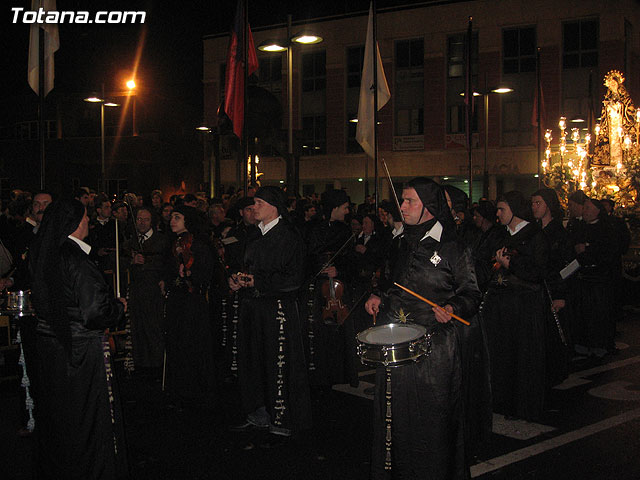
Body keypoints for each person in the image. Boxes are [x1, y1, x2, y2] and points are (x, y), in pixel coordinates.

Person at [365, 177, 481, 479]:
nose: (402, 206)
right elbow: (391, 283)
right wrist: (379, 295)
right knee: (396, 417)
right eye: (402, 200)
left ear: (429, 207)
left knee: (431, 419)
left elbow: (471, 293)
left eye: (409, 201)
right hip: (396, 343)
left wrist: (453, 308)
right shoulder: (400, 243)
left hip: (434, 348)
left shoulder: (453, 246)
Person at [30, 199, 128, 479]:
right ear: (74, 223)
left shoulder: (44, 253)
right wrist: (119, 307)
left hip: (52, 346)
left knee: (61, 419)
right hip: (79, 351)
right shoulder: (75, 259)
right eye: (85, 218)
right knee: (86, 420)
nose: (88, 223)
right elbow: (95, 312)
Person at [230, 186, 311, 440]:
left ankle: (282, 415)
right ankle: (258, 411)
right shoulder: (254, 235)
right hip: (252, 308)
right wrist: (236, 280)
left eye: (258, 203)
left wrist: (259, 283)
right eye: (253, 203)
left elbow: (294, 279)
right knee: (252, 359)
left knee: (277, 362)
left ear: (273, 207)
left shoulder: (289, 236)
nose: (254, 208)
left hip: (277, 309)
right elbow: (246, 267)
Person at [483, 191, 550, 421]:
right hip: (500, 306)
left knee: (523, 358)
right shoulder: (499, 234)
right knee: (502, 356)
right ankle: (501, 401)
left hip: (523, 307)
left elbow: (537, 271)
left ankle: (522, 405)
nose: (498, 214)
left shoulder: (534, 236)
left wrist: (510, 263)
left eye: (502, 209)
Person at [161, 205, 215, 407]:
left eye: (177, 217)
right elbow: (166, 268)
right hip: (177, 301)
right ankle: (180, 389)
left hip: (192, 303)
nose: (172, 221)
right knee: (176, 342)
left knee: (192, 342)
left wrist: (190, 274)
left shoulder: (199, 243)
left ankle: (195, 390)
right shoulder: (173, 242)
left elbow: (206, 273)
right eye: (172, 217)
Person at [531, 188, 573, 387]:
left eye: (538, 203)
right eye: (532, 203)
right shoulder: (535, 230)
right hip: (540, 290)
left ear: (548, 204)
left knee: (556, 334)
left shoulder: (558, 232)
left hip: (554, 290)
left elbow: (564, 265)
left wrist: (560, 294)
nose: (534, 207)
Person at [123, 207, 170, 376]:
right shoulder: (130, 242)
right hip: (137, 290)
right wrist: (131, 261)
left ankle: (156, 364)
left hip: (153, 290)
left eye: (146, 220)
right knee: (138, 327)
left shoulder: (162, 241)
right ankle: (141, 363)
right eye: (139, 219)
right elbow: (122, 260)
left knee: (153, 327)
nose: (142, 223)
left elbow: (166, 263)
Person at [570, 197, 617, 357]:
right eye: (585, 207)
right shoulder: (579, 227)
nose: (586, 211)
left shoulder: (607, 228)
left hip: (600, 279)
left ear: (598, 211)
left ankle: (600, 344)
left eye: (589, 208)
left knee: (598, 314)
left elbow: (609, 251)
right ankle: (583, 343)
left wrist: (588, 248)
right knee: (583, 314)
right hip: (584, 277)